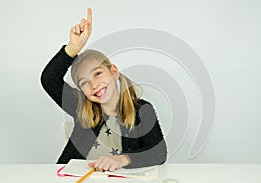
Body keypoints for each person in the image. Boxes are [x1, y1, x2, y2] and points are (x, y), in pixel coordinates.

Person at [40, 8, 167, 172]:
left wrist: (123, 159)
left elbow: (158, 153)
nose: (94, 85)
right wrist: (72, 48)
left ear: (114, 71)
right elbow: (49, 79)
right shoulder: (81, 108)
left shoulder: (142, 110)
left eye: (98, 74)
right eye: (84, 83)